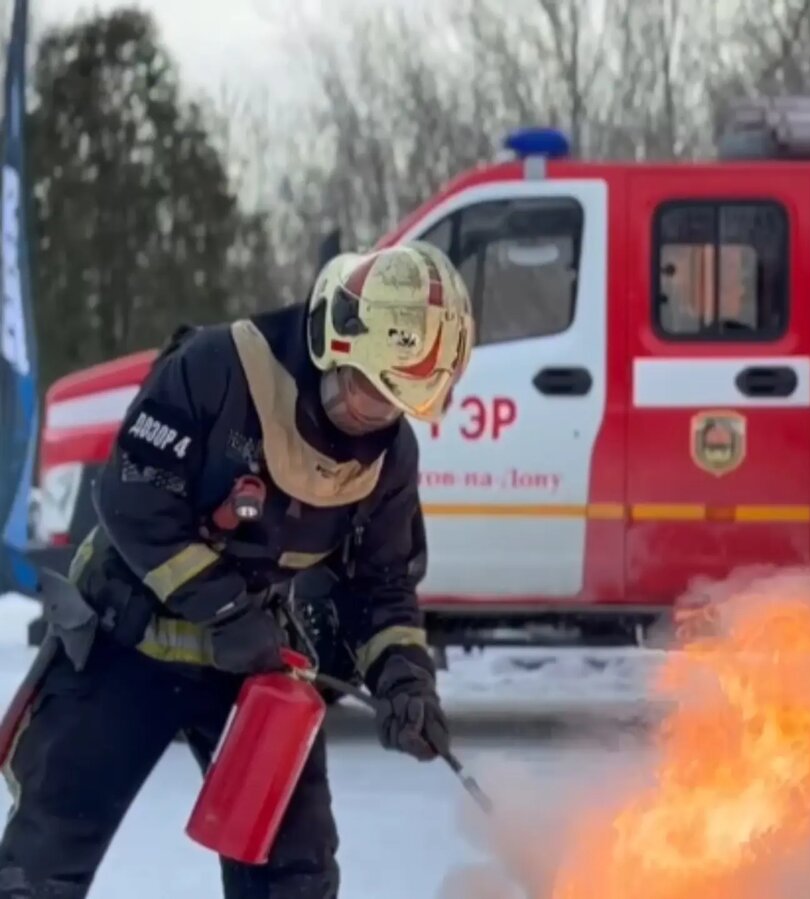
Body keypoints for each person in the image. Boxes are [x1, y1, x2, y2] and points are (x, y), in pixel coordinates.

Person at [0, 240, 475, 898]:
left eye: (391, 402)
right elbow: (132, 500)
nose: (367, 412)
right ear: (337, 341)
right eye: (365, 387)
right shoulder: (218, 370)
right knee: (41, 864)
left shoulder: (389, 459)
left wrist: (404, 678)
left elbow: (381, 585)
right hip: (122, 639)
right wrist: (222, 606)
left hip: (252, 669)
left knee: (294, 876)